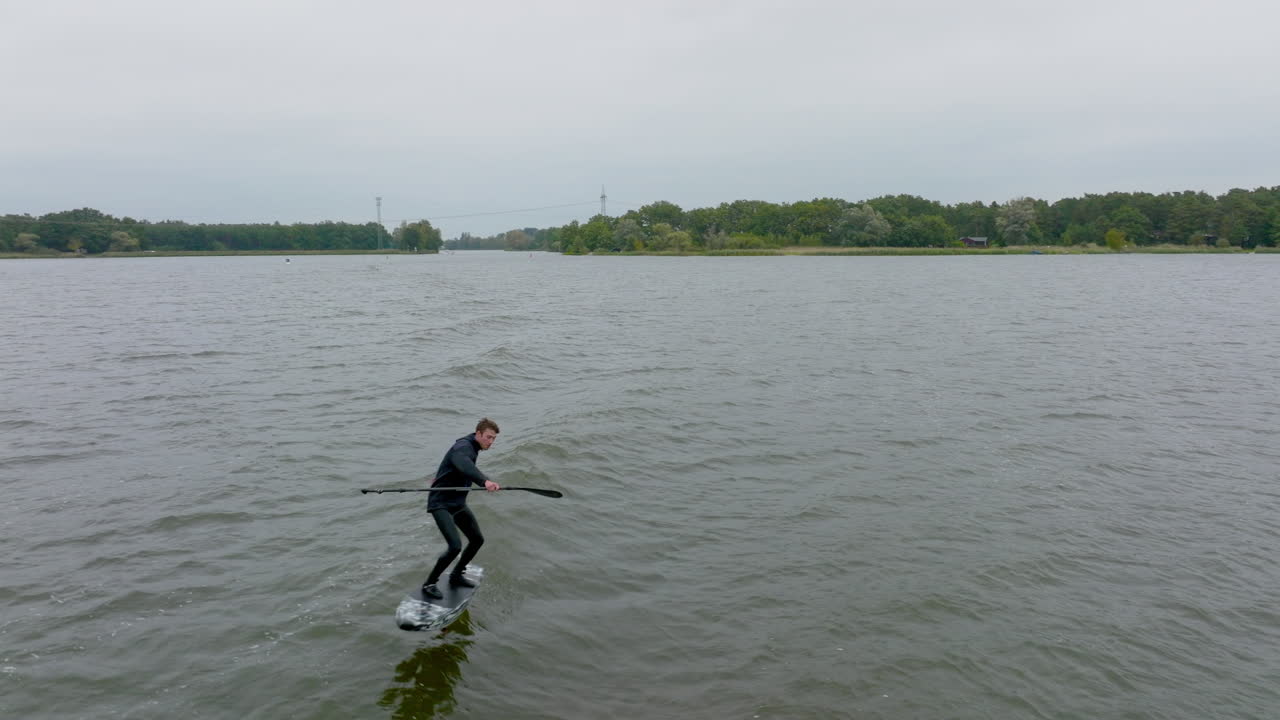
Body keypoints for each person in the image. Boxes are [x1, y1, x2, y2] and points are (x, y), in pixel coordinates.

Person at [421, 418, 501, 600]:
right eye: (488, 437)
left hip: (457, 503)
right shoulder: (464, 447)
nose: (491, 442)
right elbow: (462, 463)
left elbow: (460, 468)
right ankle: (430, 583)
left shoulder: (473, 447)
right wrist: (485, 481)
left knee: (476, 539)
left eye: (494, 439)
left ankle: (456, 574)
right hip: (440, 503)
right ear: (478, 433)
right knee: (455, 546)